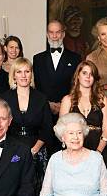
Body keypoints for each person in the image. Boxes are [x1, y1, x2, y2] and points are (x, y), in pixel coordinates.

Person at [0, 57, 52, 196]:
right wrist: (13, 150)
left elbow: (47, 128)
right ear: (13, 76)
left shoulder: (41, 98)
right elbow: (1, 126)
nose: (23, 75)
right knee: (14, 184)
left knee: (36, 187)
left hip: (36, 148)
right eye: (19, 72)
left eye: (27, 71)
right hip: (12, 149)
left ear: (31, 75)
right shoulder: (5, 98)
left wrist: (35, 150)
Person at [33, 20, 81, 153]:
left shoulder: (76, 58)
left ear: (63, 34)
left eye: (58, 32)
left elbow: (76, 86)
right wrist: (47, 104)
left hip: (68, 113)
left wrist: (63, 105)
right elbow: (36, 86)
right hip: (44, 113)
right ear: (47, 34)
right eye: (51, 32)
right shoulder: (37, 59)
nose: (55, 36)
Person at [59, 61, 107, 152]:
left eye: (91, 74)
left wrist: (98, 152)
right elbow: (62, 129)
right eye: (84, 73)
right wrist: (73, 150)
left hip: (98, 148)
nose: (88, 77)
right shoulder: (67, 100)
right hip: (73, 149)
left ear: (94, 78)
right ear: (78, 75)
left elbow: (106, 127)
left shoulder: (102, 99)